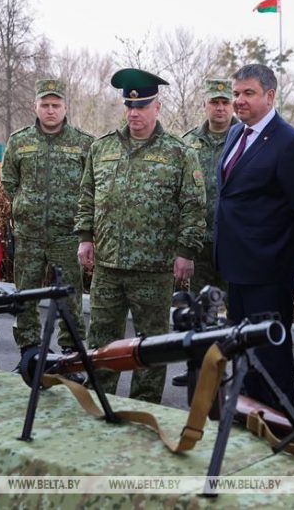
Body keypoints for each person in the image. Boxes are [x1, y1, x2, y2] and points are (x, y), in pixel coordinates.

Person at [74, 68, 206, 404]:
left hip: (153, 269)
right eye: (130, 106)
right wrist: (85, 237)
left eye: (142, 106)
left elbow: (193, 205)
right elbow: (87, 195)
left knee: (151, 345)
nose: (134, 113)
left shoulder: (179, 152)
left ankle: (145, 408)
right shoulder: (101, 148)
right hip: (108, 265)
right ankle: (98, 403)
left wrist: (186, 251)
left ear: (157, 107)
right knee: (101, 340)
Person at [214, 64, 294, 408]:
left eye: (248, 93)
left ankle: (279, 422)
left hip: (269, 271)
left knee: (269, 356)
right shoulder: (235, 134)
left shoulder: (290, 143)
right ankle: (246, 416)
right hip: (236, 266)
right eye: (236, 93)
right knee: (243, 350)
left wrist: (290, 259)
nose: (239, 100)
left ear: (269, 96)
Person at [1, 79, 94, 356]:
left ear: (65, 107)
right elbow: (9, 181)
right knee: (24, 295)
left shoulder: (84, 142)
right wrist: (25, 206)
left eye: (55, 105)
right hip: (29, 235)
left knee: (70, 296)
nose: (50, 110)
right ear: (35, 107)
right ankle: (29, 350)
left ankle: (71, 352)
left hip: (67, 236)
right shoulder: (19, 141)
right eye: (45, 105)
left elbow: (91, 186)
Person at [171, 78, 237, 388]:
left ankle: (234, 371)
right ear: (205, 105)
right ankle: (197, 369)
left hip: (234, 242)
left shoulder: (244, 137)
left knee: (237, 311)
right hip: (200, 242)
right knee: (199, 310)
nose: (220, 108)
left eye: (225, 102)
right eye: (214, 102)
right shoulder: (188, 142)